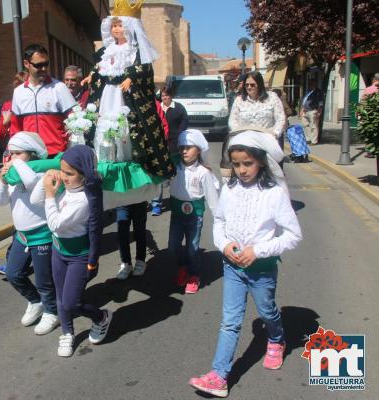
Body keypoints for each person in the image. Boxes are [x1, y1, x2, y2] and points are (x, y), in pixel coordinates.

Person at [188, 130, 302, 398]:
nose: (242, 170)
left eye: (247, 163)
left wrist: (258, 251)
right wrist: (225, 244)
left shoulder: (274, 194)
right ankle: (219, 375)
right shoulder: (230, 189)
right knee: (230, 321)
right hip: (232, 266)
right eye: (236, 164)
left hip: (261, 269)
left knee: (267, 312)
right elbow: (221, 221)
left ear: (261, 162)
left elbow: (293, 235)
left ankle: (276, 338)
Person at [31, 145, 112, 357]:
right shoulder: (65, 189)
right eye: (62, 170)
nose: (64, 177)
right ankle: (67, 332)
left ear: (84, 175)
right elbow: (34, 201)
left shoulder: (84, 199)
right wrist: (46, 182)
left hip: (78, 255)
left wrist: (50, 193)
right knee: (60, 297)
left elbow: (55, 224)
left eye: (70, 173)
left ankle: (101, 317)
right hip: (59, 251)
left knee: (71, 302)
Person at [81, 8, 175, 179]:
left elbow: (144, 68)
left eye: (120, 25)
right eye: (114, 26)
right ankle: (105, 153)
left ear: (130, 28)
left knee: (125, 120)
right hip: (108, 93)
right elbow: (100, 68)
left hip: (125, 95)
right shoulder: (107, 49)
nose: (116, 29)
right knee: (103, 118)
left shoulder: (135, 50)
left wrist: (131, 77)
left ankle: (127, 155)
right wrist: (90, 76)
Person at [0, 132, 59, 335]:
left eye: (18, 153)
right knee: (13, 274)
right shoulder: (15, 174)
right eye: (10, 153)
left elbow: (31, 182)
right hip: (22, 236)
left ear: (31, 154)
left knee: (44, 280)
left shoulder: (41, 173)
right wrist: (3, 181)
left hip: (42, 234)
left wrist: (17, 164)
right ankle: (35, 301)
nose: (12, 158)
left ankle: (52, 312)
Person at [169, 129, 219, 294]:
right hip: (177, 214)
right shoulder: (174, 167)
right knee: (173, 246)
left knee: (193, 247)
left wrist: (219, 221)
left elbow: (212, 199)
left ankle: (194, 274)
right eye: (182, 147)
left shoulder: (204, 173)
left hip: (194, 216)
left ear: (198, 150)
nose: (184, 150)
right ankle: (183, 267)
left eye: (189, 147)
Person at [10, 44, 76, 157]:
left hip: (57, 153)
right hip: (30, 155)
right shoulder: (18, 92)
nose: (44, 69)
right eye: (39, 65)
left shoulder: (59, 87)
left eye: (46, 64)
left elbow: (75, 120)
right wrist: (13, 153)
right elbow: (15, 128)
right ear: (26, 64)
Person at [0, 71, 29, 276]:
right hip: (12, 158)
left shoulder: (33, 105)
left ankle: (16, 261)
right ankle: (15, 261)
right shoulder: (8, 106)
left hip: (30, 159)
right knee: (17, 207)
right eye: (20, 87)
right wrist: (6, 123)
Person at [221, 72, 285, 181]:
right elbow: (232, 121)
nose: (249, 87)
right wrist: (239, 135)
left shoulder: (272, 98)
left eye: (252, 85)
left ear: (259, 84)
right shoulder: (239, 100)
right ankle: (227, 176)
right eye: (247, 85)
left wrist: (275, 133)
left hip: (266, 140)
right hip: (245, 141)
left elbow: (281, 119)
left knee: (272, 175)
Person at [151, 86, 188, 216]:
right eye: (162, 96)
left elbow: (184, 126)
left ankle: (175, 199)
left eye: (166, 95)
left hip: (174, 146)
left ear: (171, 96)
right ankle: (156, 204)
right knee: (159, 176)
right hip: (159, 147)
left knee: (174, 175)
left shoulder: (179, 108)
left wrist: (180, 142)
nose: (164, 98)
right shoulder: (156, 107)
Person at [299, 80, 324, 145]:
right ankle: (308, 139)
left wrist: (319, 112)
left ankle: (314, 141)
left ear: (315, 85)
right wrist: (301, 110)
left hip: (313, 111)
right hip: (305, 111)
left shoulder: (318, 92)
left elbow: (320, 103)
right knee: (305, 125)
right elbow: (304, 101)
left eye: (311, 84)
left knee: (313, 126)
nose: (310, 85)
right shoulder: (308, 92)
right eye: (309, 84)